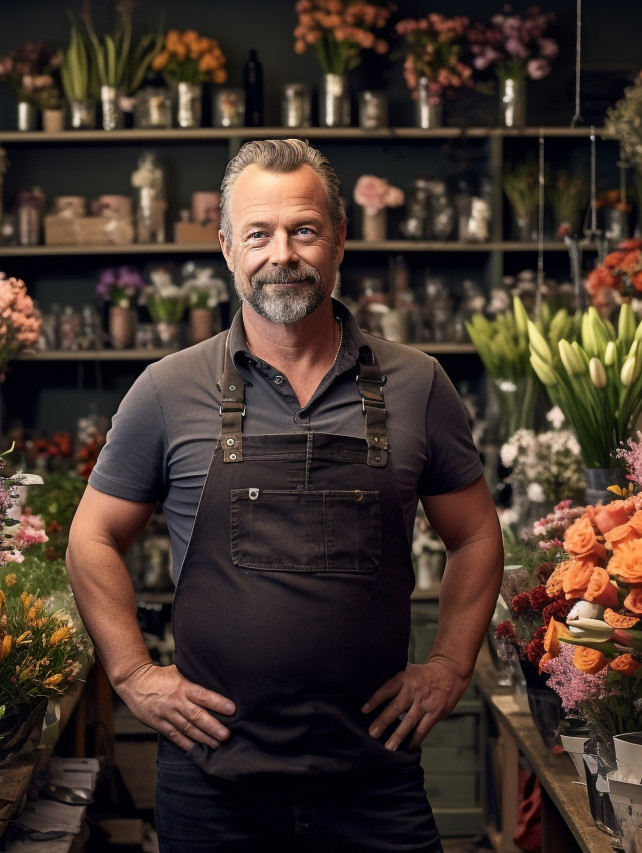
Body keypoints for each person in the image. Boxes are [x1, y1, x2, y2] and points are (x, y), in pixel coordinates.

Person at [65, 138, 503, 853]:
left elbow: (477, 535)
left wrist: (451, 665)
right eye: (259, 234)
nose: (282, 253)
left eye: (303, 230)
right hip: (214, 787)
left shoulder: (418, 383)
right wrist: (134, 673)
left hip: (376, 781)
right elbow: (91, 537)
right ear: (228, 248)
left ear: (338, 240)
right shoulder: (168, 389)